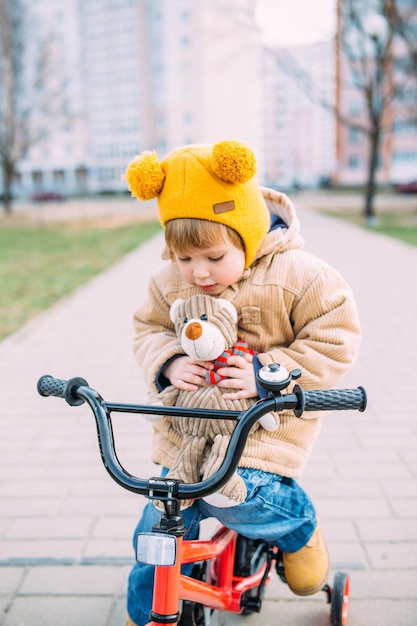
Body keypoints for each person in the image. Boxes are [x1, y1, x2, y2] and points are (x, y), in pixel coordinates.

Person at [123, 140, 361, 626]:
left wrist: (268, 373)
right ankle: (144, 616)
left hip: (260, 434)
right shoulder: (167, 280)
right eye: (183, 258)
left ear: (248, 233)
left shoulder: (303, 275)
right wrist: (168, 361)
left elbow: (335, 339)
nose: (198, 273)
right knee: (156, 530)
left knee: (231, 492)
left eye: (212, 256)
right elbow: (148, 327)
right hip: (187, 433)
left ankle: (298, 527)